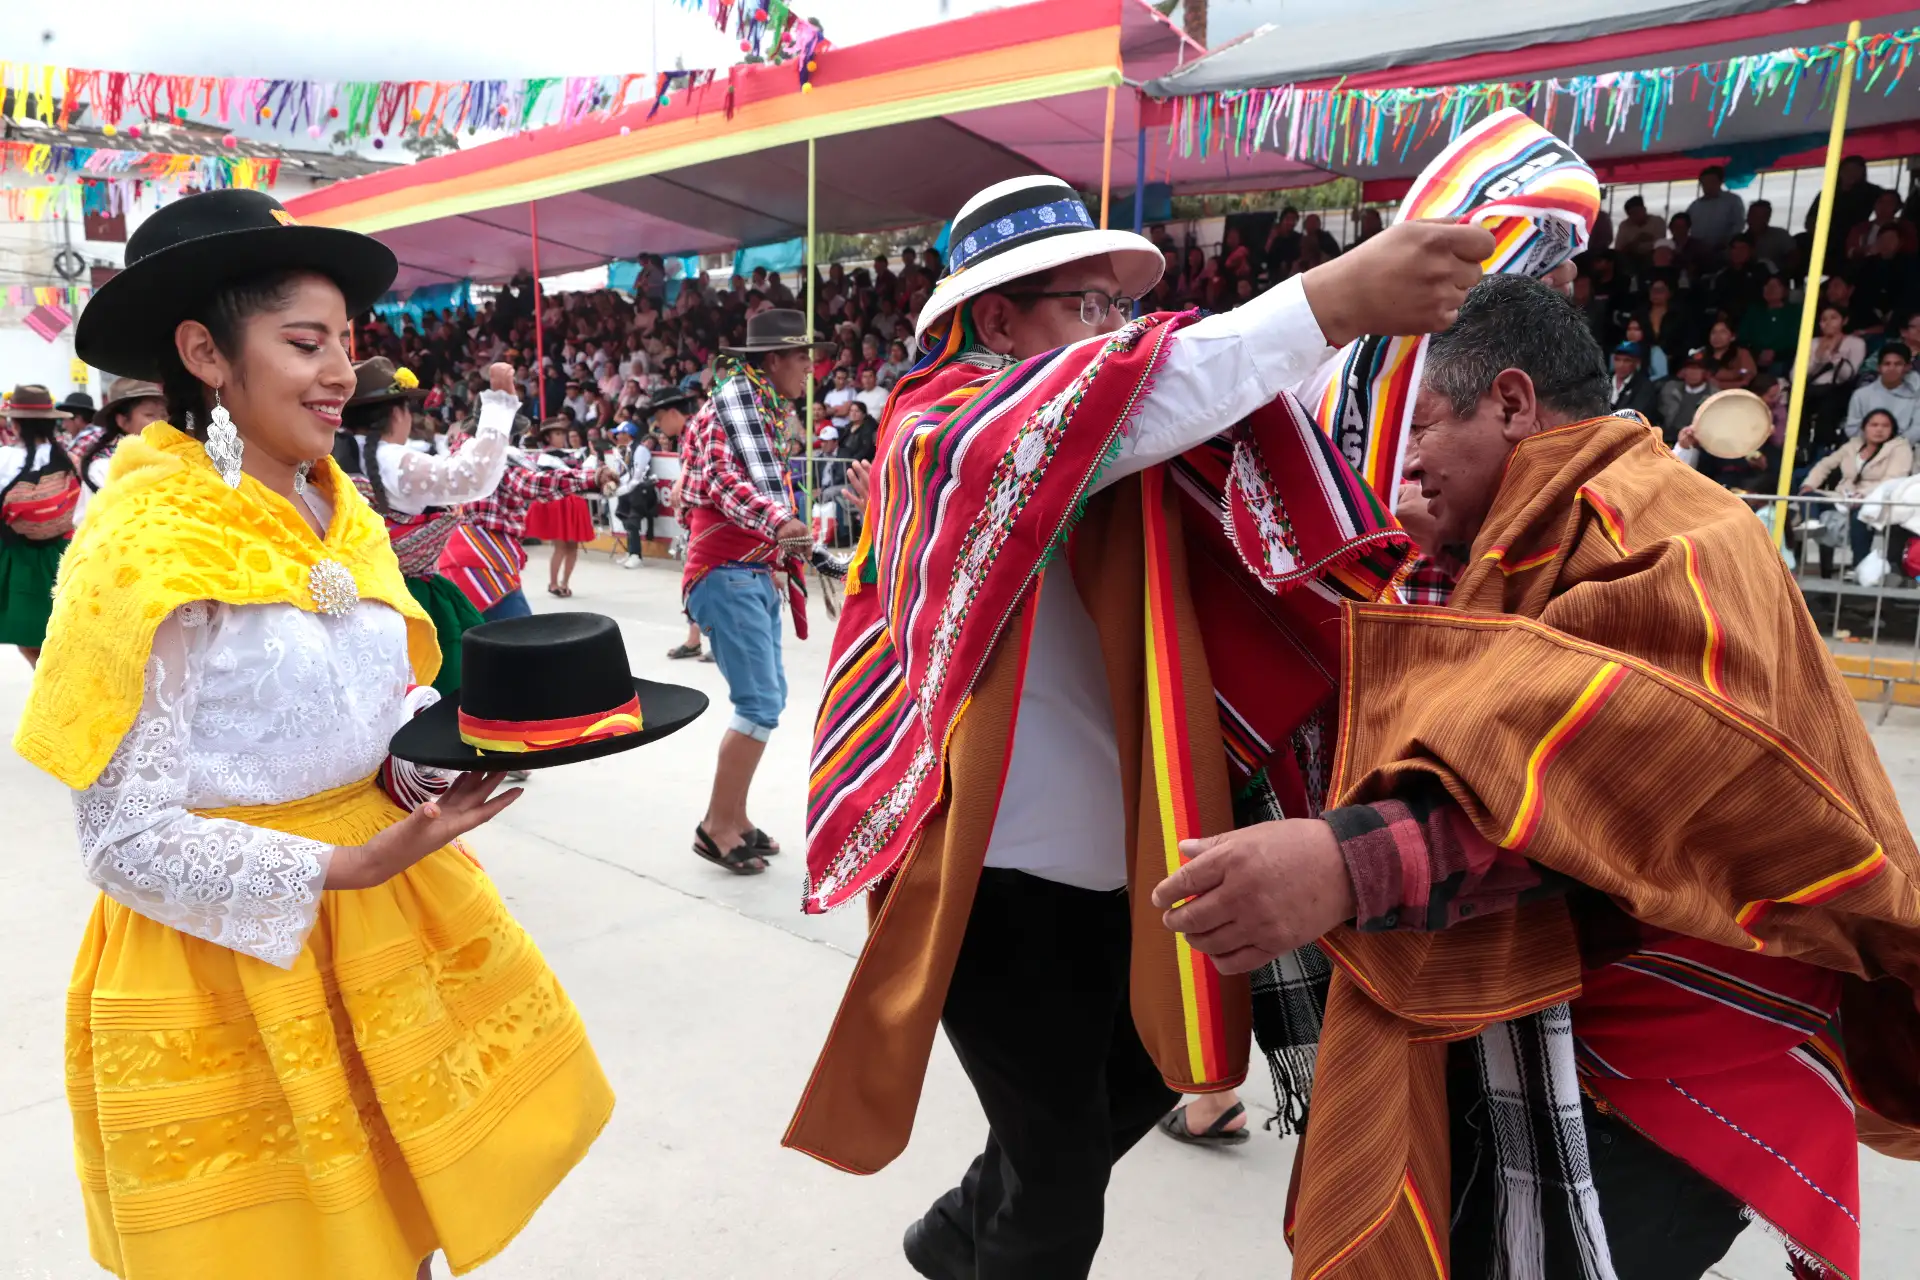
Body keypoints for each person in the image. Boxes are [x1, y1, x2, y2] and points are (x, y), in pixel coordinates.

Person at [783, 173, 1494, 1280]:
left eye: (1123, 309)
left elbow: (1182, 414)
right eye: (1088, 305)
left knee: (1153, 1072)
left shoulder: (1115, 446)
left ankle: (957, 1230)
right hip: (992, 886)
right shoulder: (941, 430)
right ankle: (985, 1233)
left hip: (1130, 859)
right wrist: (1335, 298)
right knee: (1062, 1198)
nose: (1120, 334)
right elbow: (1140, 397)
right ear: (998, 318)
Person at [1151, 273, 1920, 1280]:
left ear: (1512, 401)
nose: (1408, 459)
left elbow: (1619, 759)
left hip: (1693, 1043)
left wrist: (1349, 867)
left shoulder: (1676, 525)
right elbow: (1488, 712)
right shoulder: (1532, 528)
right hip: (1581, 1009)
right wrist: (1438, 566)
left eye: (1421, 425)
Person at [24, 187, 612, 1280]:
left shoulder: (336, 506)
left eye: (347, 341)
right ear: (205, 351)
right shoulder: (139, 544)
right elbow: (122, 836)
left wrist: (444, 758)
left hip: (384, 929)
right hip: (237, 964)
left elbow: (370, 714)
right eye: (306, 341)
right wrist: (343, 862)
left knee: (400, 1229)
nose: (345, 370)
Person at [678, 308, 821, 876]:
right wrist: (780, 521)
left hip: (749, 573)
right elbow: (724, 482)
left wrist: (783, 534)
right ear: (775, 360)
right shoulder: (734, 406)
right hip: (729, 573)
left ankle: (734, 818)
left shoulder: (753, 406)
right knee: (759, 704)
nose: (811, 368)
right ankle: (716, 826)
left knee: (767, 700)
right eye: (803, 357)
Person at [331, 357, 515, 695]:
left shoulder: (323, 456)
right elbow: (474, 476)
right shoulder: (392, 461)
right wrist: (500, 405)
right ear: (397, 413)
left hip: (344, 599)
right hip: (409, 598)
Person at [437, 420, 611, 623]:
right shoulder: (496, 462)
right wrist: (592, 478)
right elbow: (533, 483)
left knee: (467, 640)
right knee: (521, 637)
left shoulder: (454, 462)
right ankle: (557, 583)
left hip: (451, 557)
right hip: (488, 558)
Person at [0, 385, 81, 666]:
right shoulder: (69, 459)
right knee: (61, 629)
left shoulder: (5, 459)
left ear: (16, 421)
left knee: (27, 633)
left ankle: (45, 679)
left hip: (16, 556)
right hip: (62, 551)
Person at [1795, 406, 1913, 578]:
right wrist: (1809, 484)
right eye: (1874, 425)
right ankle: (1812, 524)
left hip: (1879, 500)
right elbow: (1825, 465)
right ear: (1864, 428)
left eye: (1885, 426)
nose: (1879, 429)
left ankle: (1860, 565)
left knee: (1860, 513)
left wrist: (1865, 495)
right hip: (1844, 496)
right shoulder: (1853, 445)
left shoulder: (1900, 447)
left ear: (1892, 429)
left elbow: (1894, 478)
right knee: (1808, 496)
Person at [73, 375, 167, 523]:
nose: (162, 422)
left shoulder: (167, 455)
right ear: (123, 421)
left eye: (164, 415)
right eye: (150, 415)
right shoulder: (105, 466)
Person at [524, 420, 597, 597]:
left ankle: (565, 583)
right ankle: (554, 583)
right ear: (548, 437)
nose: (561, 437)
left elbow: (583, 473)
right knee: (561, 546)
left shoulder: (573, 455)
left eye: (562, 433)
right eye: (557, 434)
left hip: (574, 501)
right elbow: (571, 474)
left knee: (573, 546)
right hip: (559, 501)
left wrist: (593, 457)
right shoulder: (545, 457)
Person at [1845, 341, 1920, 441]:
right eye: (1887, 364)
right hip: (1867, 446)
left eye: (1898, 364)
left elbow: (1917, 428)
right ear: (1879, 367)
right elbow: (1852, 429)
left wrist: (1894, 445)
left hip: (1903, 448)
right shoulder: (1861, 395)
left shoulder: (1916, 395)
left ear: (1907, 367)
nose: (1891, 369)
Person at [1738, 273, 1798, 373]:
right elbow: (1743, 337)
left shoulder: (1795, 312)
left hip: (1783, 359)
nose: (1770, 289)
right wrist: (1757, 353)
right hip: (1754, 357)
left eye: (1775, 286)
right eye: (1767, 286)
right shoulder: (1754, 311)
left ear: (1785, 290)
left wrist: (1775, 353)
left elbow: (1796, 338)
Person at [1684, 164, 1744, 263]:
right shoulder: (1694, 206)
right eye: (1704, 182)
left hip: (1723, 251)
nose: (1708, 185)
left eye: (1712, 182)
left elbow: (1739, 224)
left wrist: (1727, 243)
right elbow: (1684, 226)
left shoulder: (1732, 200)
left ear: (1720, 182)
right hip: (1698, 253)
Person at [1655, 351, 1715, 445]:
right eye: (1690, 368)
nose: (1693, 372)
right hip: (1666, 439)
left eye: (1698, 369)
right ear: (1683, 371)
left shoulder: (1714, 396)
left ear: (1706, 373)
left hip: (1696, 443)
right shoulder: (1669, 388)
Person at [1744, 198, 1798, 277]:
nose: (1755, 220)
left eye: (1760, 217)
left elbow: (1794, 257)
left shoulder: (1780, 235)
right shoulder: (1739, 239)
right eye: (1752, 215)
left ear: (1767, 218)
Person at [1607, 341, 1659, 423]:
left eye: (1627, 361)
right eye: (1617, 359)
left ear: (1637, 363)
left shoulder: (1644, 386)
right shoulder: (1602, 380)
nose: (1621, 365)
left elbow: (1636, 415)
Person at [1701, 317, 1756, 390]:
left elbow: (1746, 381)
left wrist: (1719, 385)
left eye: (1722, 332)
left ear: (1732, 337)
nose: (1717, 336)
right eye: (1713, 332)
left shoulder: (1741, 354)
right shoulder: (1701, 354)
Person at [1611, 194, 1665, 265]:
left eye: (1638, 212)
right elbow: (1619, 250)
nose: (1636, 215)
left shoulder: (1657, 221)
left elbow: (1661, 244)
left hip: (1653, 257)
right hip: (1631, 258)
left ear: (1644, 209)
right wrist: (1636, 241)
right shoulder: (1624, 225)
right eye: (1632, 213)